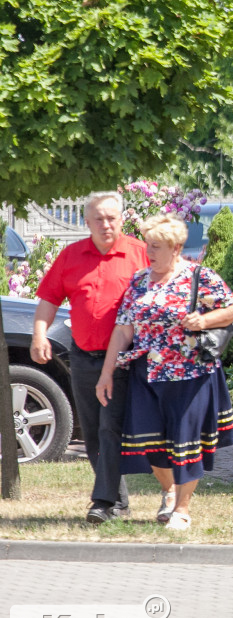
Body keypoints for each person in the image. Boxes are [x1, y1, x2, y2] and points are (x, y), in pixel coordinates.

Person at [95, 215, 233, 531]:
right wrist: (107, 373)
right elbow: (123, 331)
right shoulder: (138, 281)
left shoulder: (198, 277)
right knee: (150, 444)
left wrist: (204, 320)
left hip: (190, 373)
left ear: (176, 248)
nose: (149, 252)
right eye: (148, 245)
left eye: (157, 247)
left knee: (185, 442)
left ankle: (182, 509)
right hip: (146, 372)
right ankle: (169, 490)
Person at [32, 191, 149, 524]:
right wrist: (40, 334)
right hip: (83, 357)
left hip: (125, 359)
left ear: (122, 219)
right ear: (86, 222)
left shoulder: (139, 254)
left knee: (111, 428)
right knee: (94, 430)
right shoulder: (71, 256)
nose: (106, 224)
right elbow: (48, 298)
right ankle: (119, 502)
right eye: (98, 218)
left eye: (112, 217)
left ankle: (102, 501)